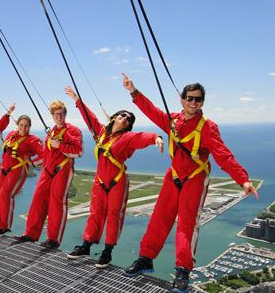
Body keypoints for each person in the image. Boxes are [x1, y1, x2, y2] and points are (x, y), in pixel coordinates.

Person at [121, 74, 258, 292]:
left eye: (198, 99)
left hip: (195, 178)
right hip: (173, 175)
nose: (194, 103)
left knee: (186, 225)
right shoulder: (174, 120)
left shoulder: (207, 127)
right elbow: (153, 112)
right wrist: (133, 92)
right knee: (159, 219)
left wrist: (243, 180)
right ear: (182, 99)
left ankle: (183, 271)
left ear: (202, 102)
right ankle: (146, 259)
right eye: (190, 98)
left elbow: (223, 156)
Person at [64, 86, 164, 269]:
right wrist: (77, 100)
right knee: (95, 213)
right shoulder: (102, 133)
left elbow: (141, 137)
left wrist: (156, 138)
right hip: (100, 181)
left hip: (117, 181)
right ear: (114, 117)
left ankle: (107, 252)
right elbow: (90, 117)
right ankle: (86, 246)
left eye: (129, 119)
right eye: (122, 115)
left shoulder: (127, 138)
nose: (125, 118)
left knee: (113, 216)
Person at [14, 100, 83, 249]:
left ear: (65, 114)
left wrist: (61, 145)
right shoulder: (51, 132)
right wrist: (32, 162)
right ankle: (31, 234)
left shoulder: (73, 130)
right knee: (38, 200)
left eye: (60, 113)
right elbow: (46, 154)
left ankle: (53, 240)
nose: (58, 116)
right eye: (55, 114)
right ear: (52, 116)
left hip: (62, 170)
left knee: (56, 203)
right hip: (47, 170)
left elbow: (79, 151)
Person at [0, 115, 44, 237]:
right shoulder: (11, 134)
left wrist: (32, 162)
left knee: (5, 194)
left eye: (26, 126)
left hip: (18, 170)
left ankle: (3, 226)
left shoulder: (33, 140)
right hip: (3, 169)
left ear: (29, 127)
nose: (23, 128)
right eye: (21, 125)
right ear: (17, 124)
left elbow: (43, 156)